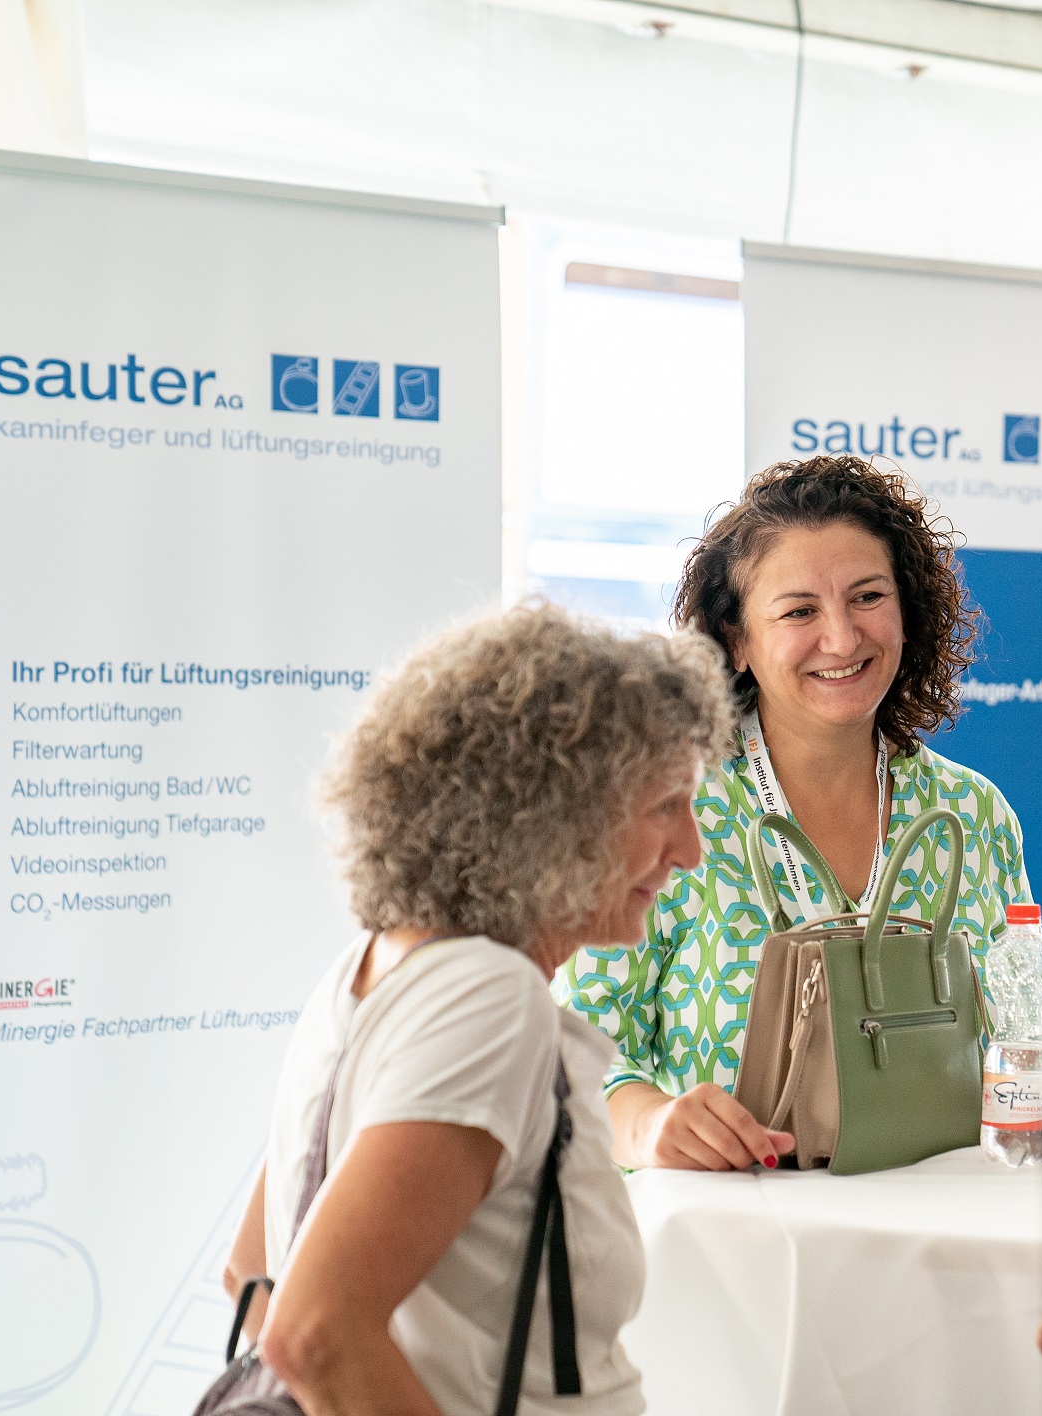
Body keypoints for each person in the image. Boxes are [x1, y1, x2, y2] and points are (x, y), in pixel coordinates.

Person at [220, 604, 733, 1416]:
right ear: (555, 814)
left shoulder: (364, 973)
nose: (691, 848)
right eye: (666, 804)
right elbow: (310, 1330)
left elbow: (252, 1274)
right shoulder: (489, 1000)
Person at [557, 455, 1033, 1170]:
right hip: (735, 1252)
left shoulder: (973, 813)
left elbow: (1019, 1041)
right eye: (799, 611)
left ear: (909, 611)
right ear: (737, 640)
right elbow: (572, 1051)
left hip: (942, 1251)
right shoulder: (663, 813)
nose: (842, 638)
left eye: (868, 597)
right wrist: (647, 1123)